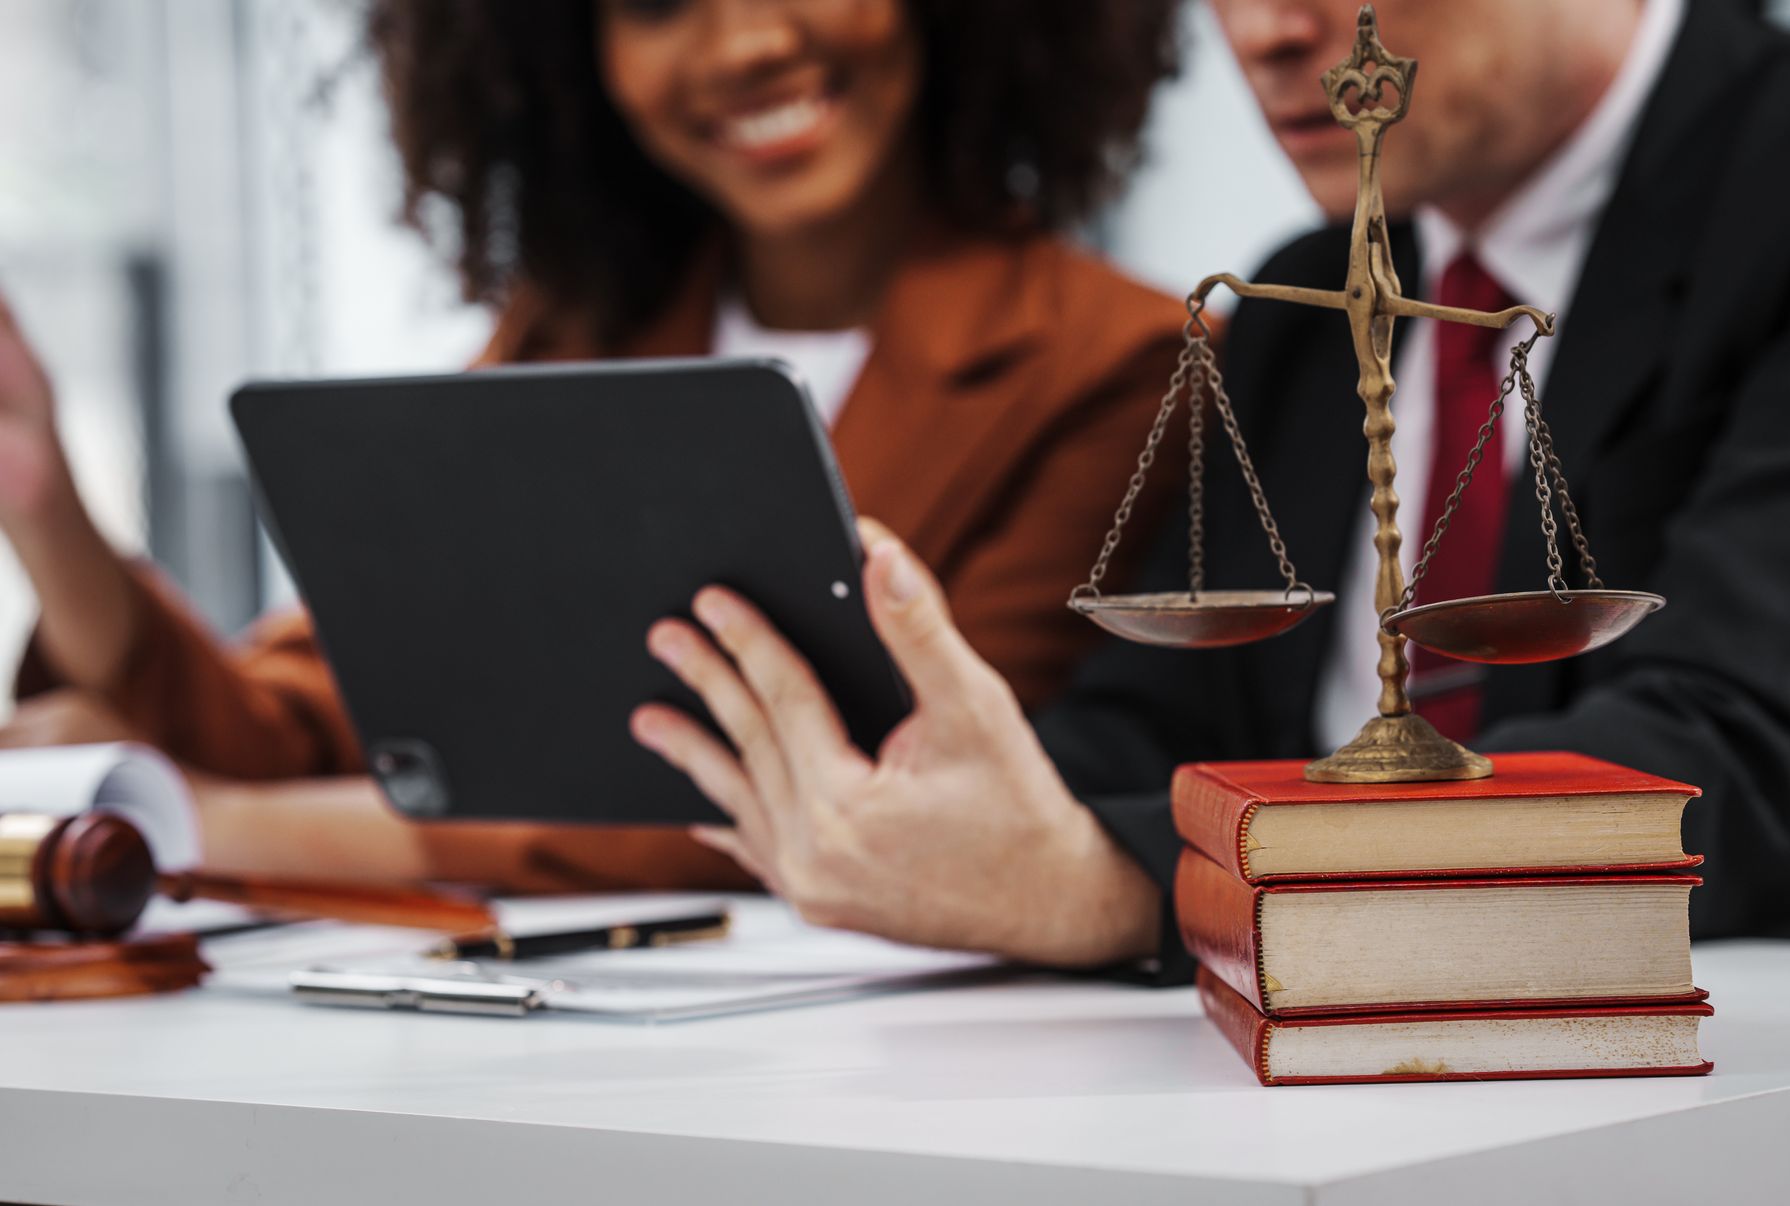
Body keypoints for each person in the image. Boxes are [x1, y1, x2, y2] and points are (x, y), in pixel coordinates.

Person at [629, 0, 1790, 967]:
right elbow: (1155, 725)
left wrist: (1121, 885)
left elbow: (1740, 755)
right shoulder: (1303, 304)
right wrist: (952, 802)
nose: (1265, 30)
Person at [0, 0, 1188, 889]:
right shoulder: (577, 335)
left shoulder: (1124, 370)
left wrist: (204, 823)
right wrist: (44, 507)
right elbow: (325, 720)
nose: (744, 43)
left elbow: (840, 807)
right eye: (659, 2)